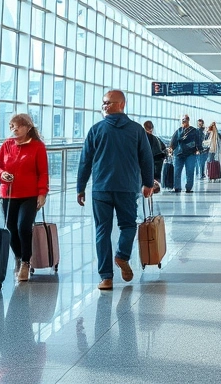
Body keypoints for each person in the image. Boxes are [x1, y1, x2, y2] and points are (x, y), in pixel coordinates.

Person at [76, 90, 155, 291]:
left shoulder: (96, 130)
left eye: (108, 103)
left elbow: (85, 161)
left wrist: (81, 187)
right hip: (127, 187)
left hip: (102, 187)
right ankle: (122, 256)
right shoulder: (137, 130)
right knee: (128, 226)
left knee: (102, 230)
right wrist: (147, 183)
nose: (104, 106)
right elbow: (146, 158)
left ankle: (106, 277)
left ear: (121, 104)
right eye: (103, 103)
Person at [0, 113, 50, 282]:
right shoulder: (7, 145)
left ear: (28, 127)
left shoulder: (38, 146)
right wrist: (2, 174)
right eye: (11, 126)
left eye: (18, 126)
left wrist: (42, 193)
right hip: (8, 194)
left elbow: (43, 172)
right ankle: (18, 257)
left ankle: (26, 262)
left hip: (29, 195)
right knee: (11, 227)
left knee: (24, 226)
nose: (14, 129)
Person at [168, 115, 203, 193]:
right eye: (182, 121)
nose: (183, 122)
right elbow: (173, 141)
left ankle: (188, 188)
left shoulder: (194, 131)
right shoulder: (178, 131)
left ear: (188, 121)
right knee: (177, 171)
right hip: (178, 154)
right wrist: (171, 149)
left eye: (185, 120)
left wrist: (198, 149)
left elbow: (198, 141)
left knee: (190, 171)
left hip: (190, 154)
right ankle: (177, 187)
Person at [143, 121, 166, 189]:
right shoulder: (156, 139)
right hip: (155, 165)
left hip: (145, 164)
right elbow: (163, 149)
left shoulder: (140, 138)